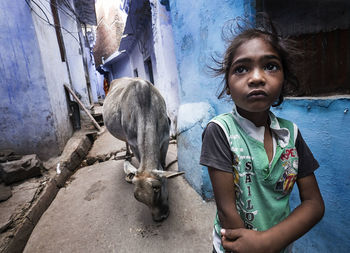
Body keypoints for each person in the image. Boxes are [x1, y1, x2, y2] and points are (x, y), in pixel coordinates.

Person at [200, 17, 324, 253]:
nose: (256, 77)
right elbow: (227, 212)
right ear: (228, 85)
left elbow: (314, 203)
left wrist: (268, 242)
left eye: (270, 66)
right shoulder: (220, 131)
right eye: (241, 68)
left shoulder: (291, 134)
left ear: (283, 79)